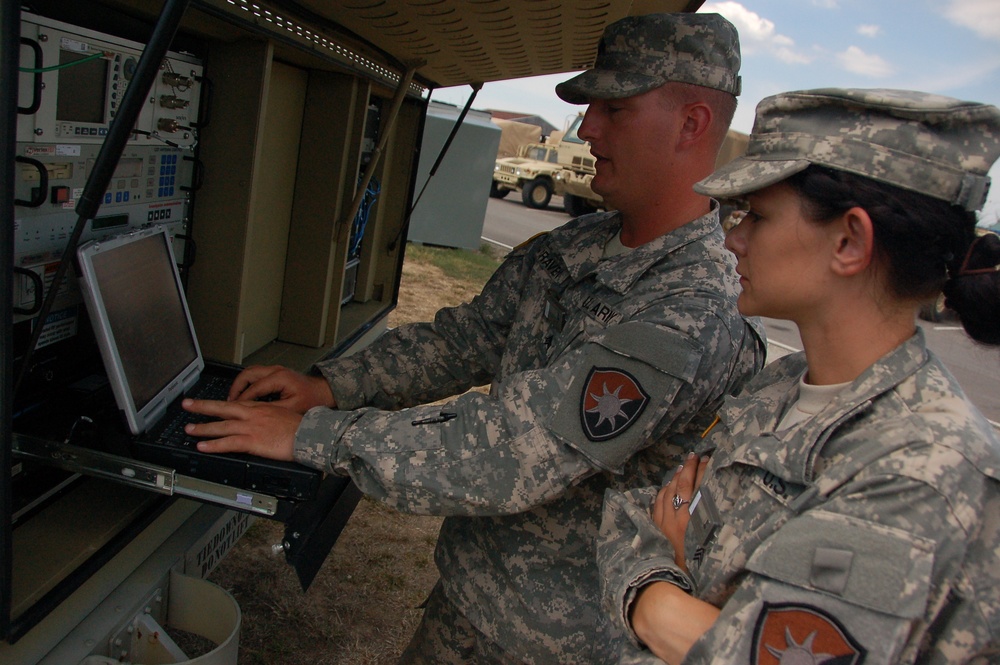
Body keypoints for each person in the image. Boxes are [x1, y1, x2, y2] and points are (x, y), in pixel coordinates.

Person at [183, 12, 766, 664]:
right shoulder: (577, 247)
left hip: (556, 644)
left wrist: (311, 436)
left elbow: (515, 449)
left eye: (614, 109)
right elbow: (466, 340)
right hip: (470, 601)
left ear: (692, 123)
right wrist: (330, 385)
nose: (588, 128)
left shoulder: (694, 307)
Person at [596, 87, 1000, 664]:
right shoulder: (781, 385)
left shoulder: (920, 467)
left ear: (848, 241)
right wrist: (665, 602)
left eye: (757, 216)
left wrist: (658, 596)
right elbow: (632, 517)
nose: (733, 238)